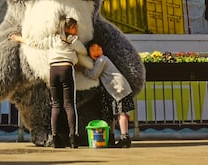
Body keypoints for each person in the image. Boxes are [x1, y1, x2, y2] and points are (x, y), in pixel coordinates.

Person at [10, 16, 90, 148]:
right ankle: (72, 137)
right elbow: (83, 50)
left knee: (56, 105)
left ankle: (55, 136)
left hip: (53, 71)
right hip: (66, 69)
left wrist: (19, 39)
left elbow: (36, 44)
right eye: (75, 27)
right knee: (69, 104)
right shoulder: (72, 40)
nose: (77, 29)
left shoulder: (53, 39)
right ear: (68, 28)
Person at [84, 40, 134, 148]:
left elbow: (94, 75)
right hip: (114, 90)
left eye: (98, 49)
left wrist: (84, 70)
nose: (96, 52)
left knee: (121, 113)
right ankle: (111, 137)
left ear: (102, 50)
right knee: (113, 114)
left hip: (119, 89)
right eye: (93, 50)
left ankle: (124, 137)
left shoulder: (102, 59)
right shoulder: (101, 60)